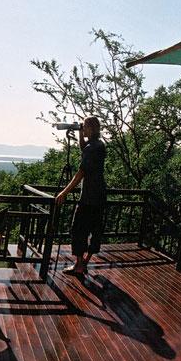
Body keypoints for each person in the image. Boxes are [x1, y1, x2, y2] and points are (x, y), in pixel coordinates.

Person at [55, 116, 107, 277]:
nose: (82, 129)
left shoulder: (92, 148)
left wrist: (64, 192)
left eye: (84, 127)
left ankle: (78, 265)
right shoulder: (99, 145)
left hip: (88, 197)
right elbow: (85, 149)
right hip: (100, 195)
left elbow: (81, 172)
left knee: (78, 229)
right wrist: (79, 133)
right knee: (95, 230)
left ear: (90, 128)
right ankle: (84, 263)